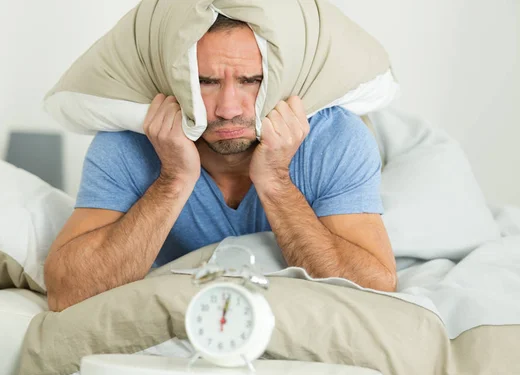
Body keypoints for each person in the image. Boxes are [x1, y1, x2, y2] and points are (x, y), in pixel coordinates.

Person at [44, 15, 397, 312]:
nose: (229, 108)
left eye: (251, 81)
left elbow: (374, 293)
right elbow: (67, 293)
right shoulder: (125, 143)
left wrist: (275, 182)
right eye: (206, 82)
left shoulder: (336, 138)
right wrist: (173, 181)